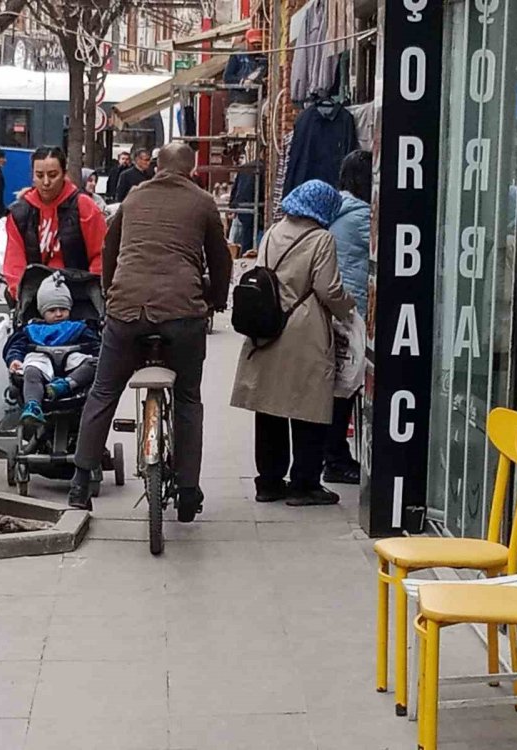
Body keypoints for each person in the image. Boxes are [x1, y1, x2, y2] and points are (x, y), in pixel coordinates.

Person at [69, 143, 233, 514]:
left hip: (127, 312)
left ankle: (80, 482)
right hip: (182, 314)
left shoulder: (132, 198)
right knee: (189, 396)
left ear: (156, 167)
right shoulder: (203, 202)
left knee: (104, 390)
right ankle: (189, 490)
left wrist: (111, 295)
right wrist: (217, 299)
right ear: (191, 169)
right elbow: (219, 259)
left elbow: (111, 251)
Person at [231, 179, 355, 506]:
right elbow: (328, 288)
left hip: (268, 325)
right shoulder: (321, 239)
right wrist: (350, 309)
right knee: (308, 409)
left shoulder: (273, 232)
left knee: (269, 409)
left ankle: (269, 482)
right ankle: (304, 484)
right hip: (304, 331)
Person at [323, 150, 371, 485]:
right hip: (353, 310)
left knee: (341, 387)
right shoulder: (363, 216)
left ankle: (335, 455)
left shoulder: (338, 208)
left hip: (338, 307)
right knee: (346, 386)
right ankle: (336, 459)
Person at [3, 146, 106, 298]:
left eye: (52, 175)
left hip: (78, 294)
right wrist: (21, 295)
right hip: (34, 295)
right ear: (32, 176)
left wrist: (92, 291)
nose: (46, 182)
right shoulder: (20, 213)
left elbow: (100, 254)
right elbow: (14, 263)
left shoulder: (85, 206)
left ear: (64, 174)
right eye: (39, 175)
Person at [4, 272, 100, 426]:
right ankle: (33, 405)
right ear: (42, 311)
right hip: (41, 360)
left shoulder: (79, 327)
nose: (58, 314)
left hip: (72, 362)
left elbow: (96, 346)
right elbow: (16, 346)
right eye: (52, 310)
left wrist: (98, 354)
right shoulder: (31, 329)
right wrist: (14, 359)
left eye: (63, 309)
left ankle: (64, 385)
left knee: (94, 363)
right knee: (31, 369)